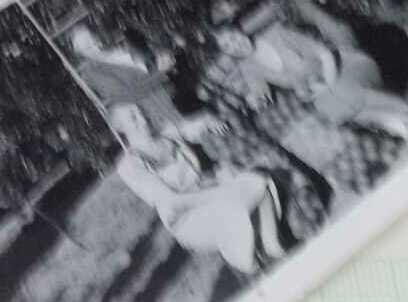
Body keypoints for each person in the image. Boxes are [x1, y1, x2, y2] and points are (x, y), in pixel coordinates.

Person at [208, 0, 408, 140]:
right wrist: (255, 100)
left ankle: (402, 112)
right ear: (227, 52)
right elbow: (259, 93)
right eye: (227, 46)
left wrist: (325, 85)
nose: (235, 45)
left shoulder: (276, 33)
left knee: (343, 93)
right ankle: (391, 121)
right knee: (330, 111)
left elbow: (325, 54)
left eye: (233, 37)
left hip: (345, 64)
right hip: (325, 91)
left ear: (241, 32)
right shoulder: (248, 68)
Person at [108, 102, 284, 276]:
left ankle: (273, 247)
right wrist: (219, 192)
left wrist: (208, 120)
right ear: (122, 128)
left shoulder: (166, 134)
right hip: (186, 219)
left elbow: (193, 126)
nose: (142, 118)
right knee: (231, 210)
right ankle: (253, 270)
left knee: (257, 181)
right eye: (133, 117)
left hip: (211, 194)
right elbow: (173, 200)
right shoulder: (129, 166)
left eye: (141, 111)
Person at [69, 24, 225, 142]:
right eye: (85, 44)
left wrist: (163, 57)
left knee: (223, 116)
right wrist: (161, 72)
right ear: (80, 52)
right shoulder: (93, 72)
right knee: (215, 133)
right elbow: (126, 95)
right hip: (163, 113)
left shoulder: (119, 48)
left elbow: (151, 62)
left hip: (179, 90)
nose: (93, 43)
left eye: (91, 37)